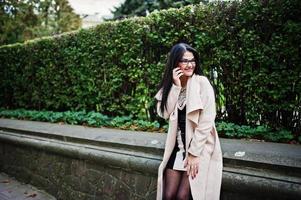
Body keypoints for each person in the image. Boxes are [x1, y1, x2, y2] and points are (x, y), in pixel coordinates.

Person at [155, 43, 223, 200]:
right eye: (184, 61)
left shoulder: (202, 83)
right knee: (168, 195)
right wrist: (176, 87)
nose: (190, 64)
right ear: (175, 63)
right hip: (177, 149)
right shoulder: (170, 85)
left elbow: (207, 121)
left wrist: (193, 153)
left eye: (192, 60)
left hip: (198, 148)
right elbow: (164, 113)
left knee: (182, 196)